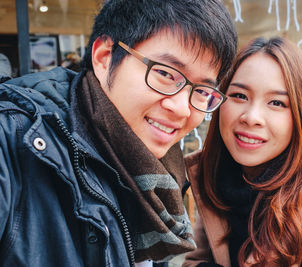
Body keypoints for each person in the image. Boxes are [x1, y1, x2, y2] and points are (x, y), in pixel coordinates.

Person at [0, 0, 237, 266]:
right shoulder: (14, 141)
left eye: (202, 91)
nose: (183, 109)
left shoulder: (159, 175)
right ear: (104, 57)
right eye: (165, 73)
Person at [183, 37, 302, 267]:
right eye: (239, 96)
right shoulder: (220, 176)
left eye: (276, 103)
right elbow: (197, 260)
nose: (252, 117)